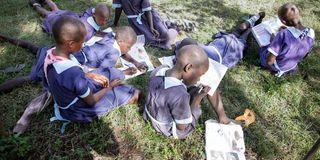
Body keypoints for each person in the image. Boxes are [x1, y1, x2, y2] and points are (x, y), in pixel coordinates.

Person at [43, 16, 140, 128]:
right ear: (71, 44)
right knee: (127, 92)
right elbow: (91, 101)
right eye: (82, 42)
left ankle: (117, 79)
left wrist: (90, 74)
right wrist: (109, 87)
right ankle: (125, 93)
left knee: (107, 73)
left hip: (76, 87)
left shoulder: (52, 53)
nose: (84, 44)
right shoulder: (73, 74)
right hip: (77, 110)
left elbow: (69, 78)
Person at [144, 44, 228, 139]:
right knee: (193, 103)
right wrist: (197, 99)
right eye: (200, 75)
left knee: (193, 89)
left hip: (150, 113)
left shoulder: (158, 70)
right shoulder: (180, 95)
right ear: (188, 68)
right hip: (167, 128)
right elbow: (182, 126)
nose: (200, 78)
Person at [174, 12, 266, 68]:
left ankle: (255, 20)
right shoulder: (202, 56)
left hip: (228, 45)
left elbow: (188, 44)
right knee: (244, 33)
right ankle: (255, 19)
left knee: (243, 33)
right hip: (232, 47)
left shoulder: (200, 57)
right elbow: (188, 42)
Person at [259, 3, 315, 77]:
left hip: (277, 66)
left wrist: (273, 41)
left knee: (262, 48)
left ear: (283, 22)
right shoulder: (311, 32)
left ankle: (276, 71)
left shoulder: (283, 34)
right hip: (292, 63)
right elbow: (306, 53)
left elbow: (269, 61)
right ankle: (292, 68)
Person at [29, 0, 110, 41]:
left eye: (106, 20)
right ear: (94, 15)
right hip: (63, 22)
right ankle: (35, 5)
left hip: (69, 16)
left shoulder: (91, 12)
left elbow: (90, 11)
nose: (104, 23)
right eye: (101, 20)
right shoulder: (87, 30)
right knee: (48, 14)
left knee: (56, 9)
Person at [112, 0, 178, 49]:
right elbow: (118, 8)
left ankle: (169, 26)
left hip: (150, 17)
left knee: (165, 35)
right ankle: (165, 29)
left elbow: (147, 11)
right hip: (136, 21)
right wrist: (115, 22)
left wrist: (151, 27)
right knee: (148, 39)